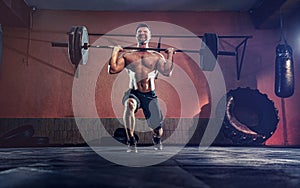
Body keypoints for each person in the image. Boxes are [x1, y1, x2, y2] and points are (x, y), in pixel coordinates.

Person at [108, 23, 175, 152]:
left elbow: (167, 72)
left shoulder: (156, 56)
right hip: (134, 92)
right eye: (139, 32)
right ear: (136, 36)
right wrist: (115, 52)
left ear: (149, 36)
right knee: (129, 104)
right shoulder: (128, 56)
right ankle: (131, 140)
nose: (142, 34)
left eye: (145, 32)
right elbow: (113, 69)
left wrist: (171, 54)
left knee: (157, 129)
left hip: (150, 95)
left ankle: (156, 138)